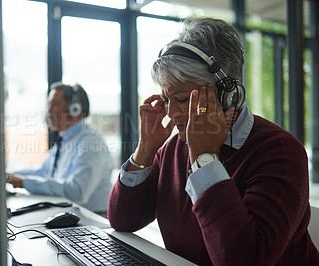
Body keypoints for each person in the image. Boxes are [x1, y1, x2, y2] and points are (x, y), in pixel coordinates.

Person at [108, 17, 319, 265]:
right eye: (167, 100)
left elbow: (245, 259)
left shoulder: (280, 152)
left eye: (183, 99)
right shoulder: (174, 148)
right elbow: (123, 219)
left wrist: (205, 160)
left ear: (228, 95)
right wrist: (144, 151)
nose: (172, 113)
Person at [7, 82, 113, 213]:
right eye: (49, 105)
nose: (49, 111)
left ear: (74, 109)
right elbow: (45, 172)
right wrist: (8, 175)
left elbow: (78, 191)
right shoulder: (66, 138)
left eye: (55, 104)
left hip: (93, 218)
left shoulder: (91, 142)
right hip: (69, 213)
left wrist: (25, 183)